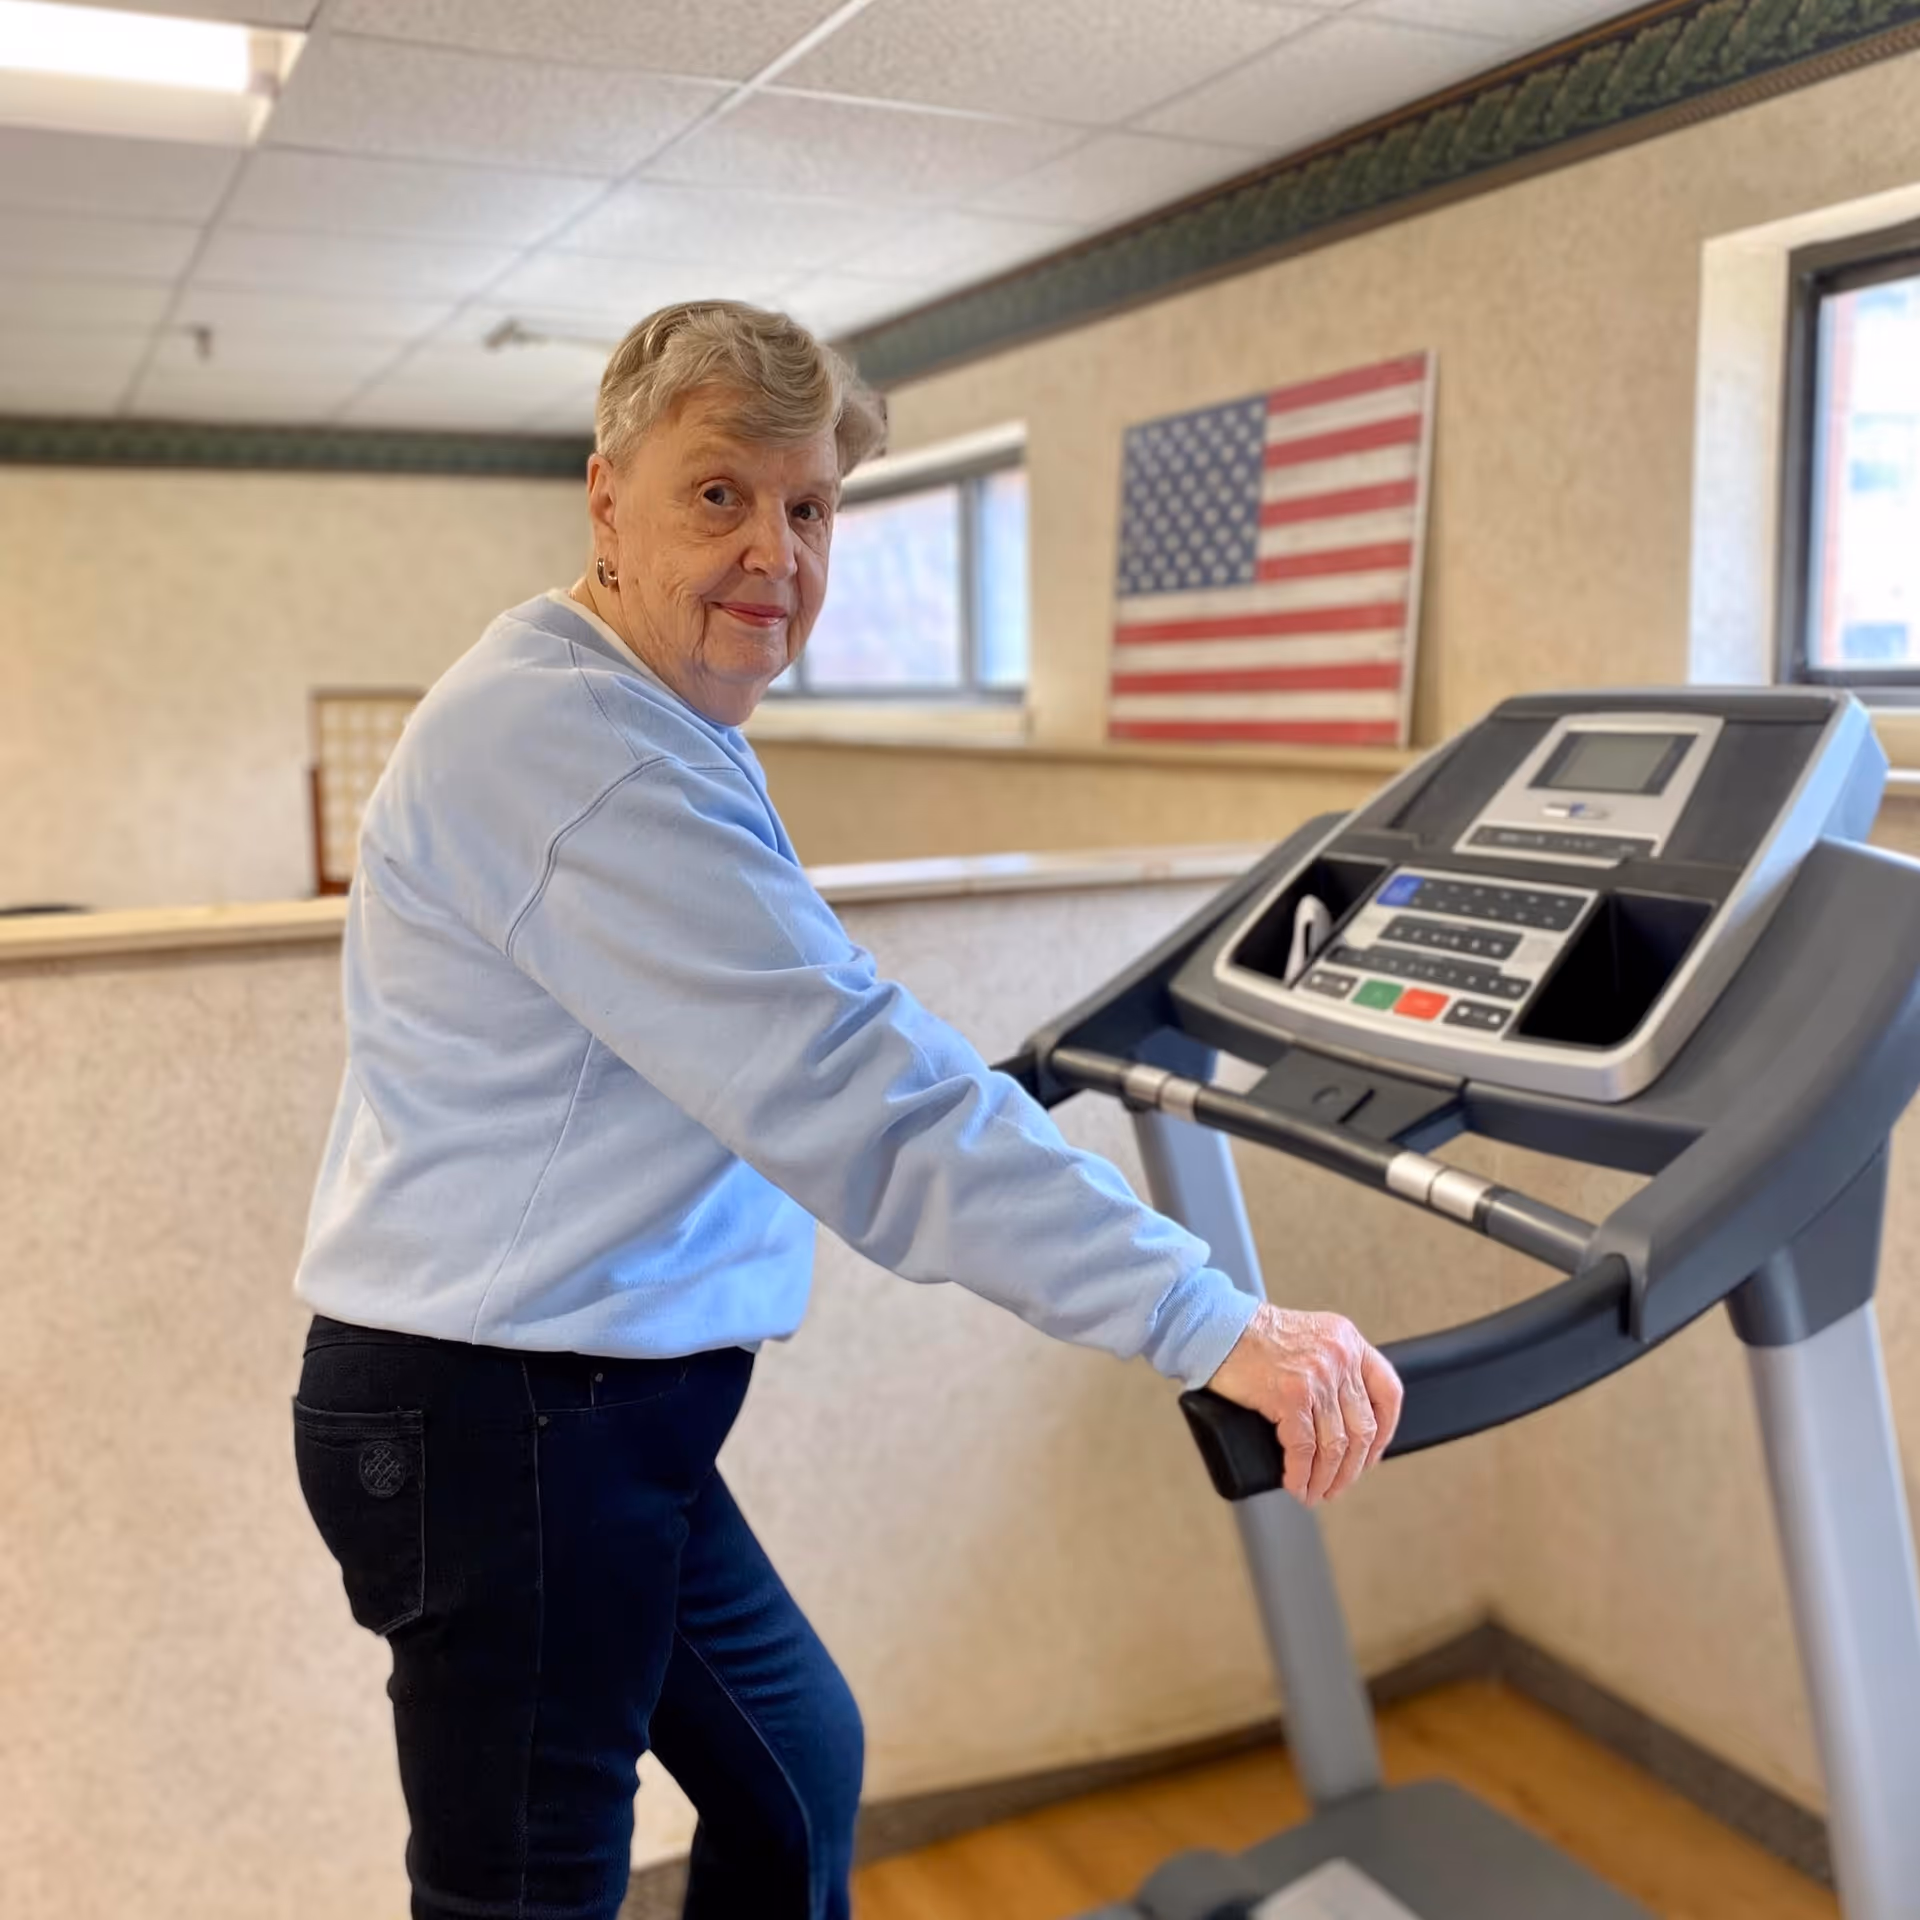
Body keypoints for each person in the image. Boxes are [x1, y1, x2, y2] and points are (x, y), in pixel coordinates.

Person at [290, 300, 1404, 1920]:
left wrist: (968, 1106)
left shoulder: (628, 709)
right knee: (525, 1892)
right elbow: (856, 1090)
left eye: (808, 507)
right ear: (608, 501)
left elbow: (816, 1051)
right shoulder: (578, 750)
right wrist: (1206, 1316)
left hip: (591, 1407)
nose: (774, 552)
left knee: (797, 1764)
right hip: (503, 1426)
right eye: (719, 495)